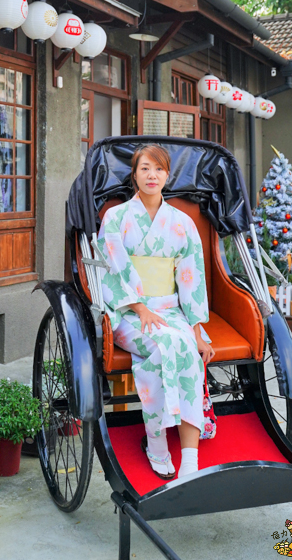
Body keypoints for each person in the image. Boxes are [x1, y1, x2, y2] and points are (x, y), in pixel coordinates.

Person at [97, 143, 215, 479]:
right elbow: (112, 269)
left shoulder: (182, 222)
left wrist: (196, 331)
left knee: (188, 348)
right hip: (128, 313)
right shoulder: (116, 217)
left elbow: (191, 278)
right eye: (145, 168)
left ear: (168, 175)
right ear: (134, 175)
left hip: (171, 311)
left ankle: (189, 457)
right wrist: (139, 307)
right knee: (165, 346)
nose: (152, 175)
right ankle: (156, 441)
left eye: (159, 169)